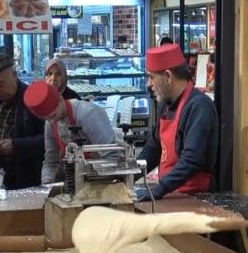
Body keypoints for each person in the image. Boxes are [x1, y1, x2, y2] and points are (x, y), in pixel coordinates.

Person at [136, 43, 218, 200]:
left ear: (167, 76)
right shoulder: (166, 106)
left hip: (195, 198)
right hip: (171, 194)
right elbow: (152, 150)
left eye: (151, 77)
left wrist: (158, 190)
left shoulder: (199, 106)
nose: (148, 84)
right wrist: (127, 176)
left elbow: (191, 160)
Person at [22, 80, 116, 184]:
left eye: (53, 115)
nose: (51, 121)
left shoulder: (88, 114)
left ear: (61, 99)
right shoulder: (50, 123)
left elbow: (112, 158)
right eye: (46, 118)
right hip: (76, 180)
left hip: (101, 180)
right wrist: (47, 182)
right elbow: (51, 162)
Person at [0, 55, 44, 189]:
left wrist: (16, 146)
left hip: (23, 181)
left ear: (14, 75)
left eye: (0, 84)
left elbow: (48, 140)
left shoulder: (33, 98)